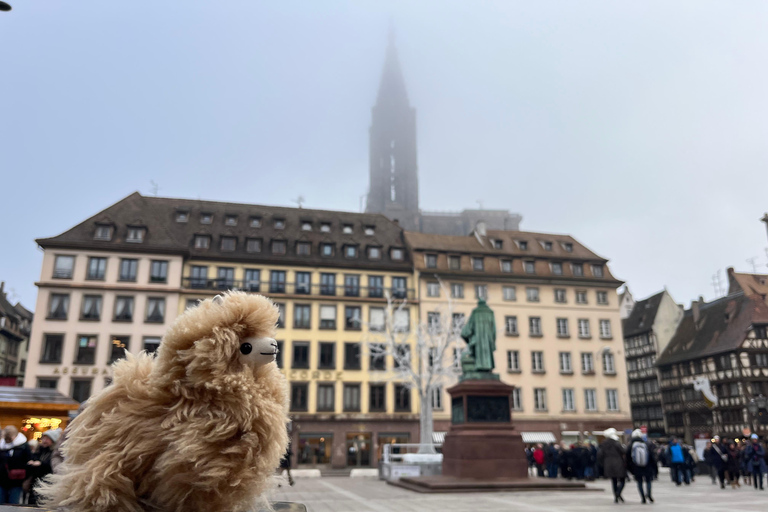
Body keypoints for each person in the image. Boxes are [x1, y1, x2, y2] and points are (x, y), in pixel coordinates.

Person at [25, 428, 62, 505]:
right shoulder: (39, 449)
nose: (44, 441)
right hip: (35, 481)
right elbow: (34, 458)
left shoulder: (55, 452)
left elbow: (54, 464)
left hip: (48, 481)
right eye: (43, 438)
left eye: (47, 439)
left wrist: (41, 464)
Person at [0, 426, 31, 504]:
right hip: (2, 480)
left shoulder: (23, 446)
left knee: (13, 503)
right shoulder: (2, 445)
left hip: (16, 481)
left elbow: (28, 462)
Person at [597, 428, 626, 503]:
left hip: (608, 464)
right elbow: (623, 451)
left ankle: (616, 496)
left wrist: (603, 463)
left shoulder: (603, 444)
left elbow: (599, 455)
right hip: (618, 463)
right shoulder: (616, 443)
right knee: (622, 480)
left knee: (614, 481)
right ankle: (618, 493)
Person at [626, 429, 655, 504]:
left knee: (640, 482)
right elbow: (651, 456)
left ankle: (643, 498)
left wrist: (630, 468)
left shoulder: (631, 445)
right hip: (647, 466)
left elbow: (628, 458)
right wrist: (653, 467)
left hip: (636, 467)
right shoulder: (646, 444)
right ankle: (649, 494)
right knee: (648, 481)